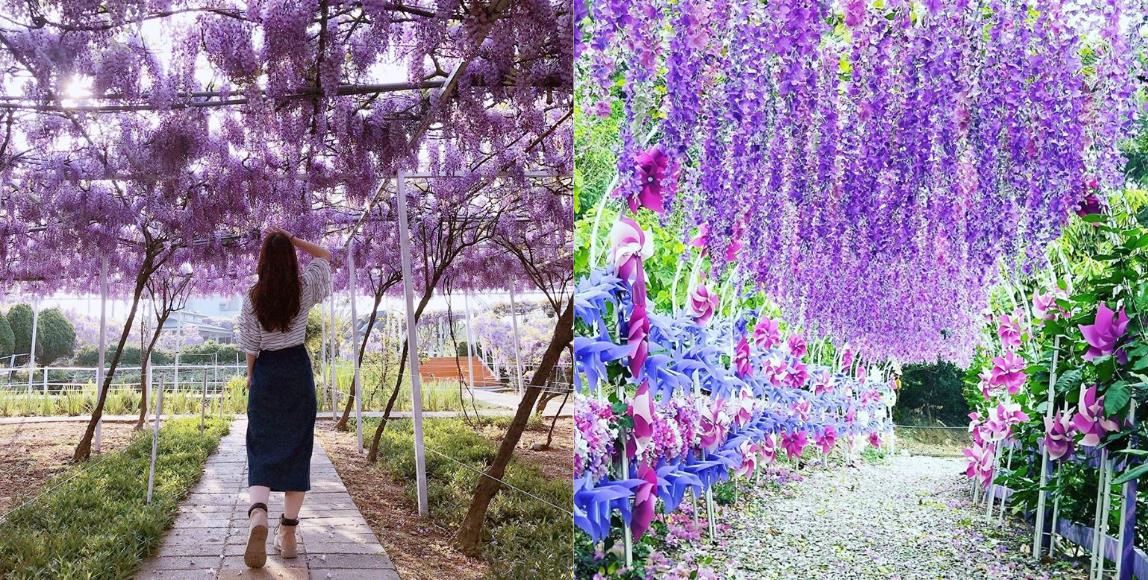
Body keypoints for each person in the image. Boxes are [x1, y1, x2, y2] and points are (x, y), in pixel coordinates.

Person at [238, 227, 332, 568]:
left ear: (262, 261)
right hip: (296, 371)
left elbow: (250, 345)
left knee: (261, 446)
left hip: (267, 373)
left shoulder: (252, 297)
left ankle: (258, 515)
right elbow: (325, 256)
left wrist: (252, 376)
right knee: (297, 449)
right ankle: (288, 534)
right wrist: (293, 240)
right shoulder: (303, 288)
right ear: (291, 259)